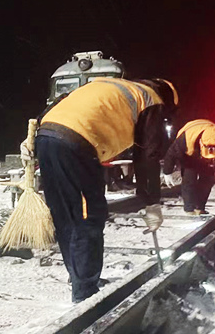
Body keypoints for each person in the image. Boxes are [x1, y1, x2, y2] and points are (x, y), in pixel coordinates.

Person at [20, 77, 178, 303]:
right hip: (77, 142)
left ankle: (80, 278)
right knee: (88, 217)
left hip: (47, 135)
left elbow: (61, 102)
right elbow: (147, 156)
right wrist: (151, 202)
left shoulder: (107, 85)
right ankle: (85, 293)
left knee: (65, 215)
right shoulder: (151, 101)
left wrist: (32, 139)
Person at [161, 119, 215, 215]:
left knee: (208, 178)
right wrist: (167, 172)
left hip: (202, 147)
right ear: (201, 142)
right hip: (190, 154)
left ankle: (199, 208)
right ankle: (189, 209)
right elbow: (172, 153)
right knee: (189, 178)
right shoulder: (186, 139)